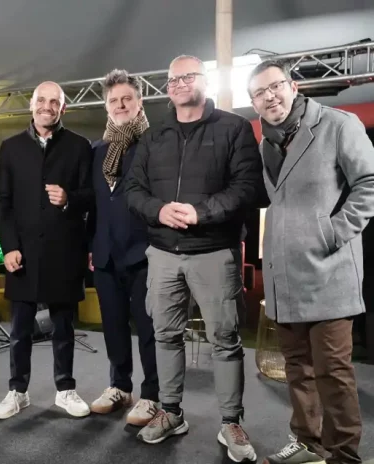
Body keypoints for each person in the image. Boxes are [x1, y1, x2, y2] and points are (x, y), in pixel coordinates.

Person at [125, 55, 262, 462]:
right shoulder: (154, 136)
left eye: (188, 76)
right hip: (163, 253)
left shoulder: (234, 128)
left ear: (205, 81)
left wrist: (202, 213)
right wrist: (158, 210)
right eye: (173, 79)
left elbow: (247, 186)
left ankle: (231, 421)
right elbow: (134, 189)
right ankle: (171, 413)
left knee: (225, 339)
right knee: (165, 335)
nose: (180, 84)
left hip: (214, 252)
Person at [249, 60, 374, 464]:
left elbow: (369, 183)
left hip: (328, 270)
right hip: (284, 273)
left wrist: (333, 233)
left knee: (333, 372)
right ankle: (308, 443)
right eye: (259, 93)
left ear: (293, 86)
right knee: (297, 367)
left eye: (275, 86)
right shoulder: (266, 143)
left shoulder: (338, 125)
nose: (269, 97)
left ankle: (343, 455)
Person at [0, 81, 94, 420]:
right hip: (21, 253)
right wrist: (9, 247)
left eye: (54, 101)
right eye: (41, 100)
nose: (47, 106)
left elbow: (91, 196)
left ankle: (65, 390)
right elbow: (3, 204)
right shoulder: (10, 148)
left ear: (63, 108)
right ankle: (17, 391)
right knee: (20, 331)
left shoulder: (80, 146)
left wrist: (69, 199)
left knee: (63, 328)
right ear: (31, 104)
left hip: (64, 251)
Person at [87, 69, 159, 426]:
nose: (120, 105)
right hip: (105, 254)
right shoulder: (98, 150)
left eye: (126, 98)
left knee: (148, 329)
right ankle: (120, 386)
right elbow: (94, 204)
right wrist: (91, 245)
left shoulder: (154, 144)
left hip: (145, 253)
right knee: (113, 326)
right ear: (106, 106)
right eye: (113, 100)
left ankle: (152, 395)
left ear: (139, 102)